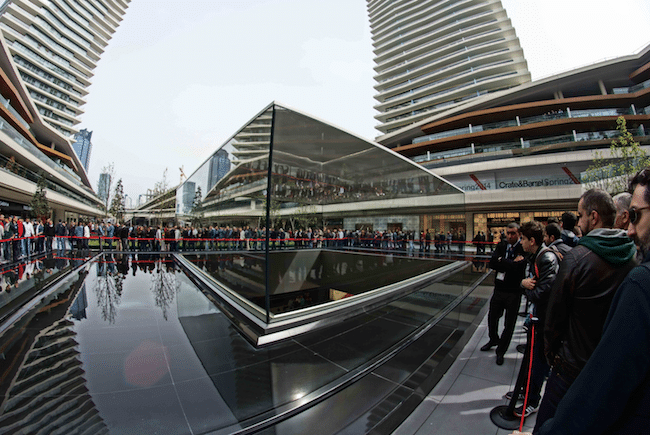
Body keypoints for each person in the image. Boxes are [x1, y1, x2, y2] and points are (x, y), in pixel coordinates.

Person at [531, 169, 650, 434]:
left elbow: (554, 319)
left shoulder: (578, 259)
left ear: (593, 217)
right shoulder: (633, 256)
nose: (579, 221)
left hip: (571, 368)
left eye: (581, 215)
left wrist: (553, 358)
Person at [513, 221, 561, 418]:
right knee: (531, 360)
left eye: (523, 239)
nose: (521, 242)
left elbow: (541, 292)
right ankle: (525, 392)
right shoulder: (536, 256)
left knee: (537, 362)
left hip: (543, 321)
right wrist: (525, 284)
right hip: (538, 317)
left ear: (532, 240)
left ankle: (532, 401)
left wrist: (525, 287)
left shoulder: (546, 258)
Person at [481, 222, 527, 365]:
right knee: (492, 317)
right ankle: (493, 339)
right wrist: (510, 263)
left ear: (519, 233)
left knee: (509, 323)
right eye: (508, 233)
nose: (510, 236)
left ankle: (501, 351)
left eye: (513, 233)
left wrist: (502, 261)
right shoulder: (501, 245)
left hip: (514, 291)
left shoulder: (522, 247)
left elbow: (519, 269)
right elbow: (493, 263)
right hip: (499, 288)